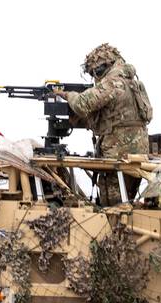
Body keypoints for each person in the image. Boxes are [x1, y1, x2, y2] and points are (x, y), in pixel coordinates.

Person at [55, 43, 152, 204]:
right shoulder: (131, 82)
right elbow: (115, 116)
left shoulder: (113, 82)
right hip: (137, 151)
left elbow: (81, 104)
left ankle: (116, 229)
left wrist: (66, 94)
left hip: (118, 154)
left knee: (113, 207)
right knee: (127, 201)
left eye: (96, 72)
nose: (95, 77)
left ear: (103, 67)